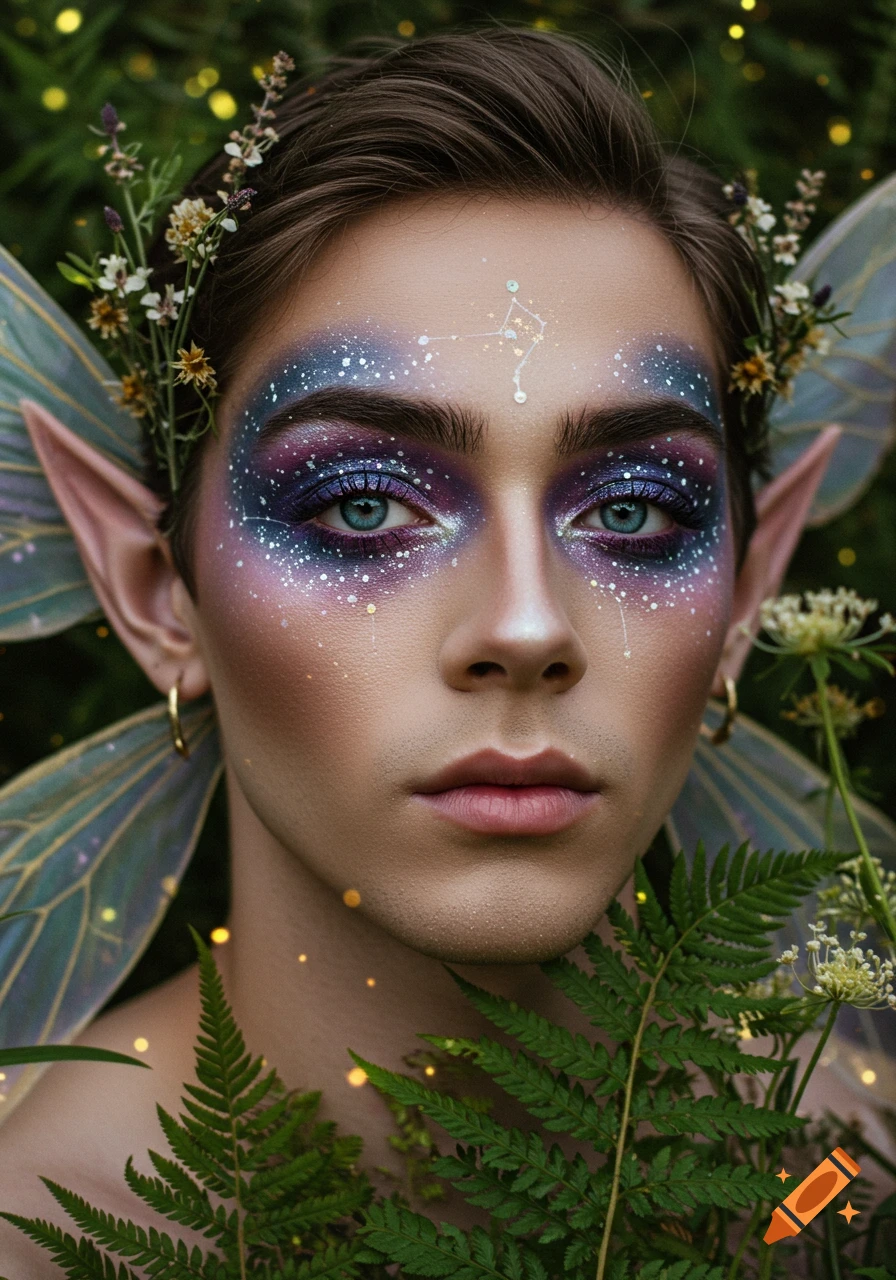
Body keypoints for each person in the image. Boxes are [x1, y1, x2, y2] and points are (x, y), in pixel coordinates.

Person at [0, 26, 892, 1273]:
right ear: (156, 588)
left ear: (745, 588)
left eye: (632, 509)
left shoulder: (846, 1190)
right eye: (361, 504)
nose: (524, 627)